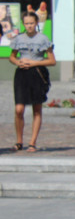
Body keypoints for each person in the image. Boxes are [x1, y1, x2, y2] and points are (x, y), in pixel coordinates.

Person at [9, 11, 54, 152]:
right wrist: (18, 62)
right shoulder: (18, 39)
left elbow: (52, 61)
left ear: (36, 23)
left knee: (36, 109)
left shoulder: (43, 39)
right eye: (27, 23)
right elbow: (12, 57)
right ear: (23, 24)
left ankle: (32, 142)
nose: (29, 26)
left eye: (32, 23)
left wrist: (34, 63)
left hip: (37, 73)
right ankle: (19, 141)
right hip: (22, 74)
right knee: (19, 109)